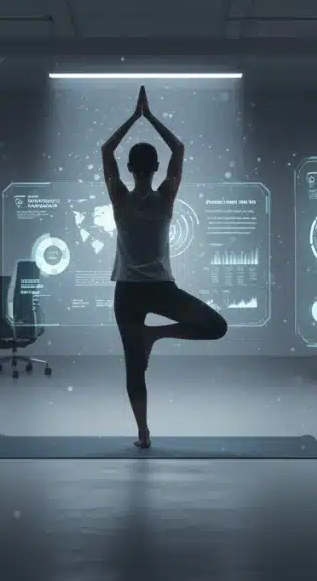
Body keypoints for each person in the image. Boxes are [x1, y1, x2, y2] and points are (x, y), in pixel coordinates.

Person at [100, 86, 228, 448]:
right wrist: (151, 117)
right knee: (216, 327)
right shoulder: (166, 196)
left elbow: (106, 150)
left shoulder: (119, 198)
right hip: (159, 289)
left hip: (127, 292)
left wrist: (134, 117)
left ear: (129, 168)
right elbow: (180, 150)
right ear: (155, 168)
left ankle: (143, 434)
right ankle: (156, 335)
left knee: (133, 367)